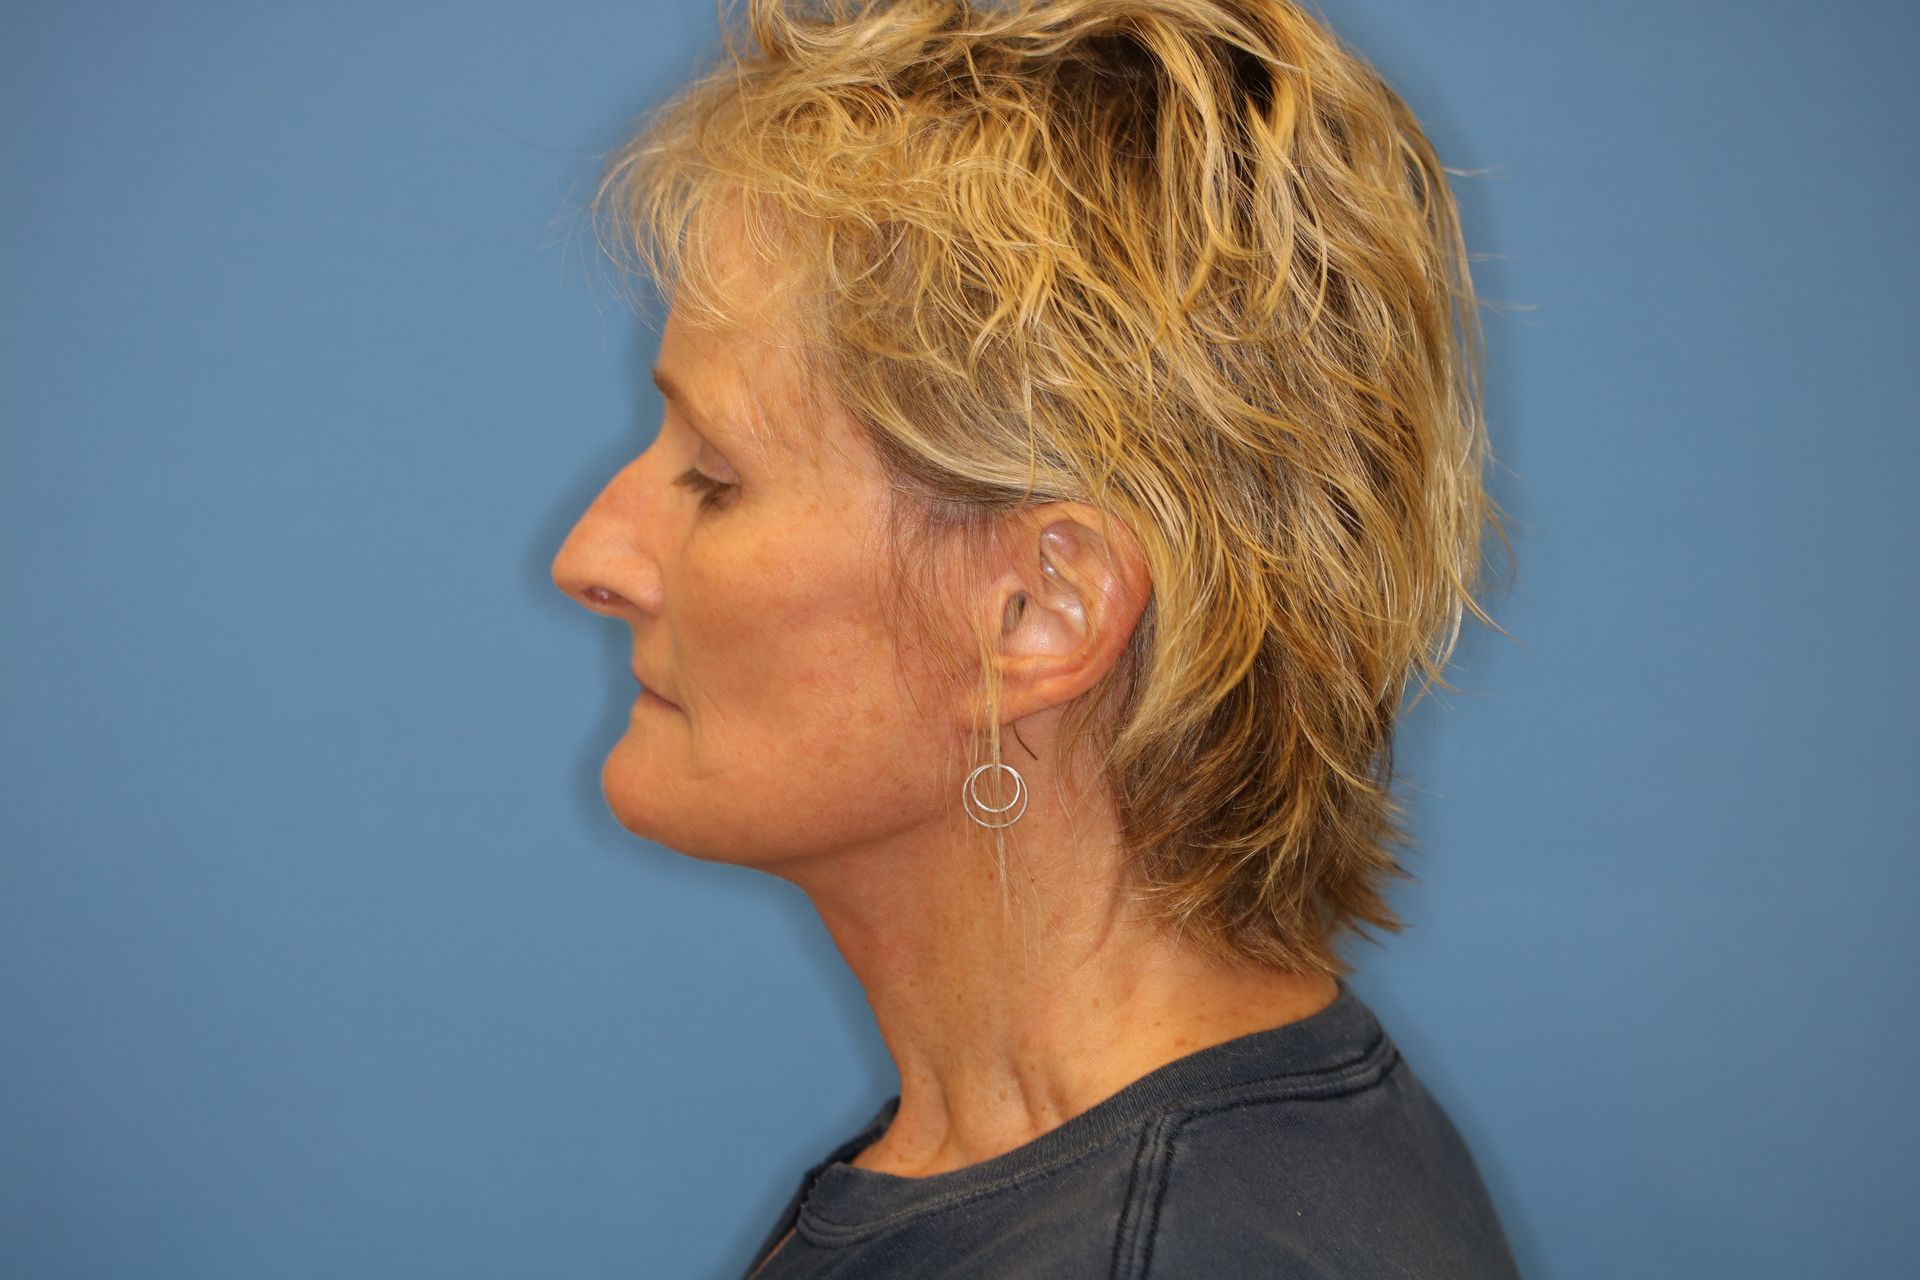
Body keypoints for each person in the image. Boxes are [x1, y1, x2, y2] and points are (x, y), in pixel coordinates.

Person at [551, 0, 1520, 1274]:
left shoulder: (1164, 1247)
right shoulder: (1060, 1170)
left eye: (716, 478)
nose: (590, 556)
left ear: (1035, 612)